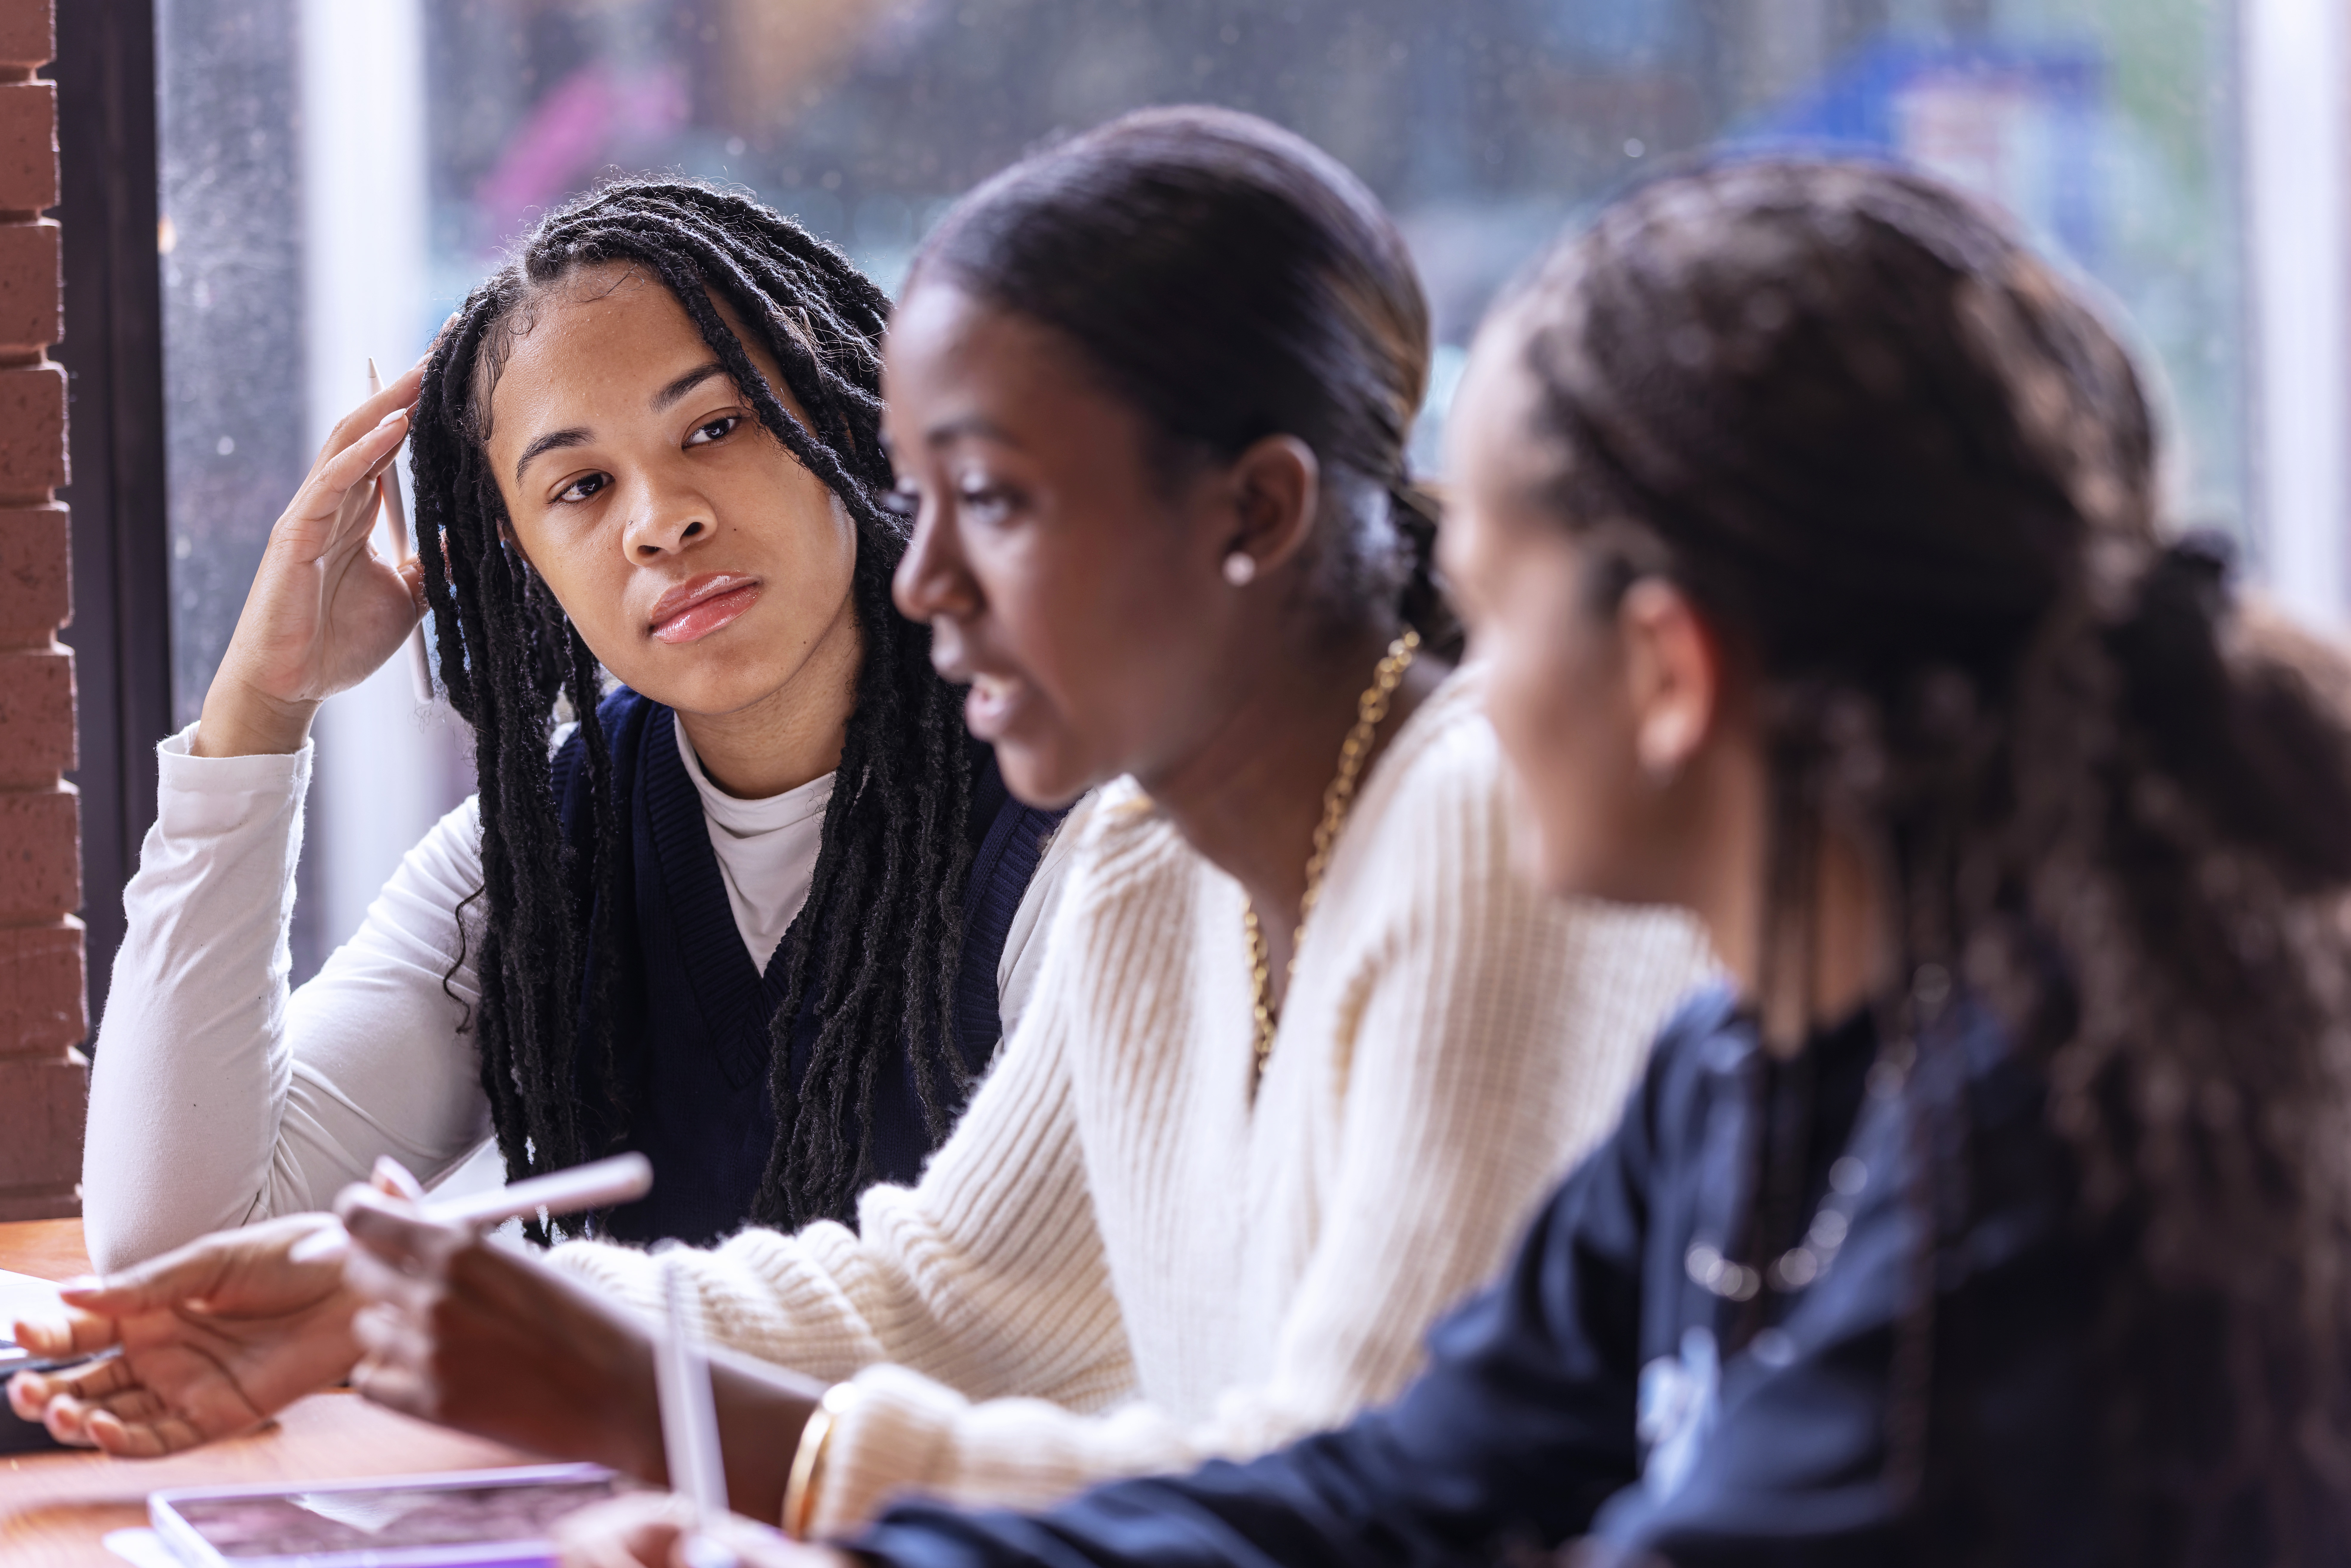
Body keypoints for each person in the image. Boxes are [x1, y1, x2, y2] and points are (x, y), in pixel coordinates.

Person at [561, 157, 2351, 1567]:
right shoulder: (1729, 1081)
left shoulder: (2028, 1143)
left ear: (1668, 671)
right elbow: (1388, 1497)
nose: (1462, 674)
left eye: (1485, 604)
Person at [13, 107, 1710, 1528]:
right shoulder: (1148, 857)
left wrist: (678, 1417)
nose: (926, 566)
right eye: (579, 487)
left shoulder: (1481, 830)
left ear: (1252, 513)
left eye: (988, 500)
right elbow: (950, 1296)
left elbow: (1357, 1511)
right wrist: (436, 1318)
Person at [80, 178, 1084, 1268]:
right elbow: (171, 1243)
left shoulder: (1074, 810)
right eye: (581, 487)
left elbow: (1024, 1310)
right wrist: (261, 708)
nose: (661, 522)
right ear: (518, 558)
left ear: (840, 416)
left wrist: (553, 1332)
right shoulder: (542, 853)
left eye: (715, 426)